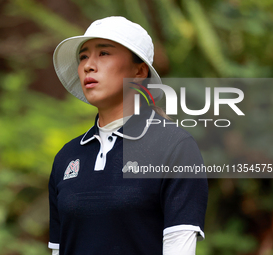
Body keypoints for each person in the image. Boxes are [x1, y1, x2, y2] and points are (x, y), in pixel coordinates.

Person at [49, 16, 208, 255]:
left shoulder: (175, 147)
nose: (88, 66)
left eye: (103, 53)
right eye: (83, 56)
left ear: (139, 70)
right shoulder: (66, 157)